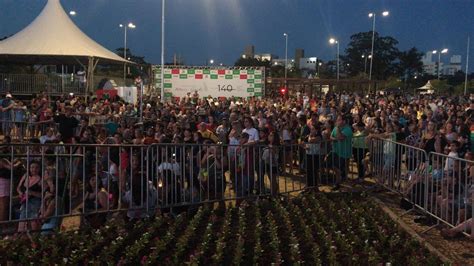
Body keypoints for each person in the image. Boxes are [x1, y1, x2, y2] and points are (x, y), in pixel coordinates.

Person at [17, 161, 43, 232]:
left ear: (40, 169)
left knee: (33, 222)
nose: (34, 169)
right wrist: (20, 193)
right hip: (24, 202)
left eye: (36, 168)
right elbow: (18, 187)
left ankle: (35, 239)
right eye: (32, 167)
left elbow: (43, 195)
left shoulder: (41, 179)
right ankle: (22, 239)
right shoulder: (25, 176)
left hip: (35, 203)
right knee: (22, 222)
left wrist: (32, 193)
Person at [329, 115, 353, 189]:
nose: (337, 121)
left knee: (339, 168)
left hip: (344, 152)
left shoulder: (347, 129)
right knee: (333, 165)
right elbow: (331, 136)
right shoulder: (335, 128)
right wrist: (335, 139)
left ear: (344, 121)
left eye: (339, 120)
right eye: (337, 120)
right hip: (335, 150)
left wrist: (338, 129)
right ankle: (340, 179)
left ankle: (338, 183)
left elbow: (341, 137)